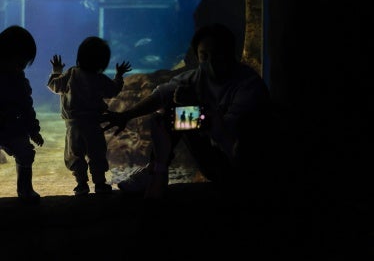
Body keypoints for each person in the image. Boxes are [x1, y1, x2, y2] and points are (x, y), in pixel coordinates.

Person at [102, 23, 272, 200]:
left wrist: (195, 105)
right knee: (169, 112)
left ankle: (158, 171)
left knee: (180, 112)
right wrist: (126, 115)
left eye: (217, 55)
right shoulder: (196, 77)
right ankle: (155, 168)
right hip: (213, 159)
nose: (211, 62)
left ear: (231, 53)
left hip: (239, 163)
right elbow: (161, 96)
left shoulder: (249, 86)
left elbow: (226, 132)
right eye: (204, 56)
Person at [47, 36, 132, 196]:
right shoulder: (99, 78)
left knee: (75, 155)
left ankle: (81, 185)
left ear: (79, 58)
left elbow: (54, 86)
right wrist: (119, 75)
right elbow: (113, 90)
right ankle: (100, 183)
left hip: (74, 126)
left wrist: (56, 71)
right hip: (94, 125)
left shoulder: (71, 73)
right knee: (97, 154)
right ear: (102, 64)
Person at [0, 25, 44, 203]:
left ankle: (25, 190)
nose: (21, 68)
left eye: (24, 65)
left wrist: (33, 130)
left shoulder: (20, 80)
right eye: (19, 64)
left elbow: (27, 107)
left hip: (13, 126)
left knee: (26, 153)